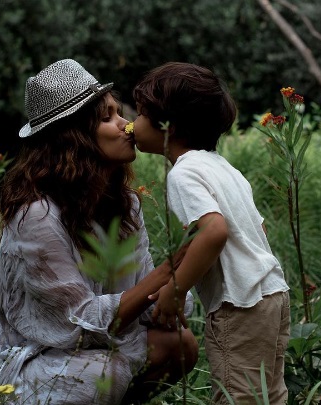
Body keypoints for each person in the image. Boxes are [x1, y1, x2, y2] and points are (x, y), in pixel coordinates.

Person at [0, 59, 199, 405]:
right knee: (103, 374)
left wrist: (175, 291)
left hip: (95, 350)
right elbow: (76, 323)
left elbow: (142, 295)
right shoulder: (37, 214)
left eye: (120, 113)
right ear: (74, 138)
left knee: (180, 345)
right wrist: (167, 271)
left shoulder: (124, 204)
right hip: (18, 364)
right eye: (108, 117)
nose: (127, 126)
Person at [130, 62, 290, 404]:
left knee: (237, 396)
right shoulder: (224, 167)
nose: (132, 123)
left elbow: (214, 231)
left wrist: (176, 289)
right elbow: (256, 227)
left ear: (167, 126)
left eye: (141, 114)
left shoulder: (184, 173)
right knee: (270, 394)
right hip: (273, 293)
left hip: (241, 304)